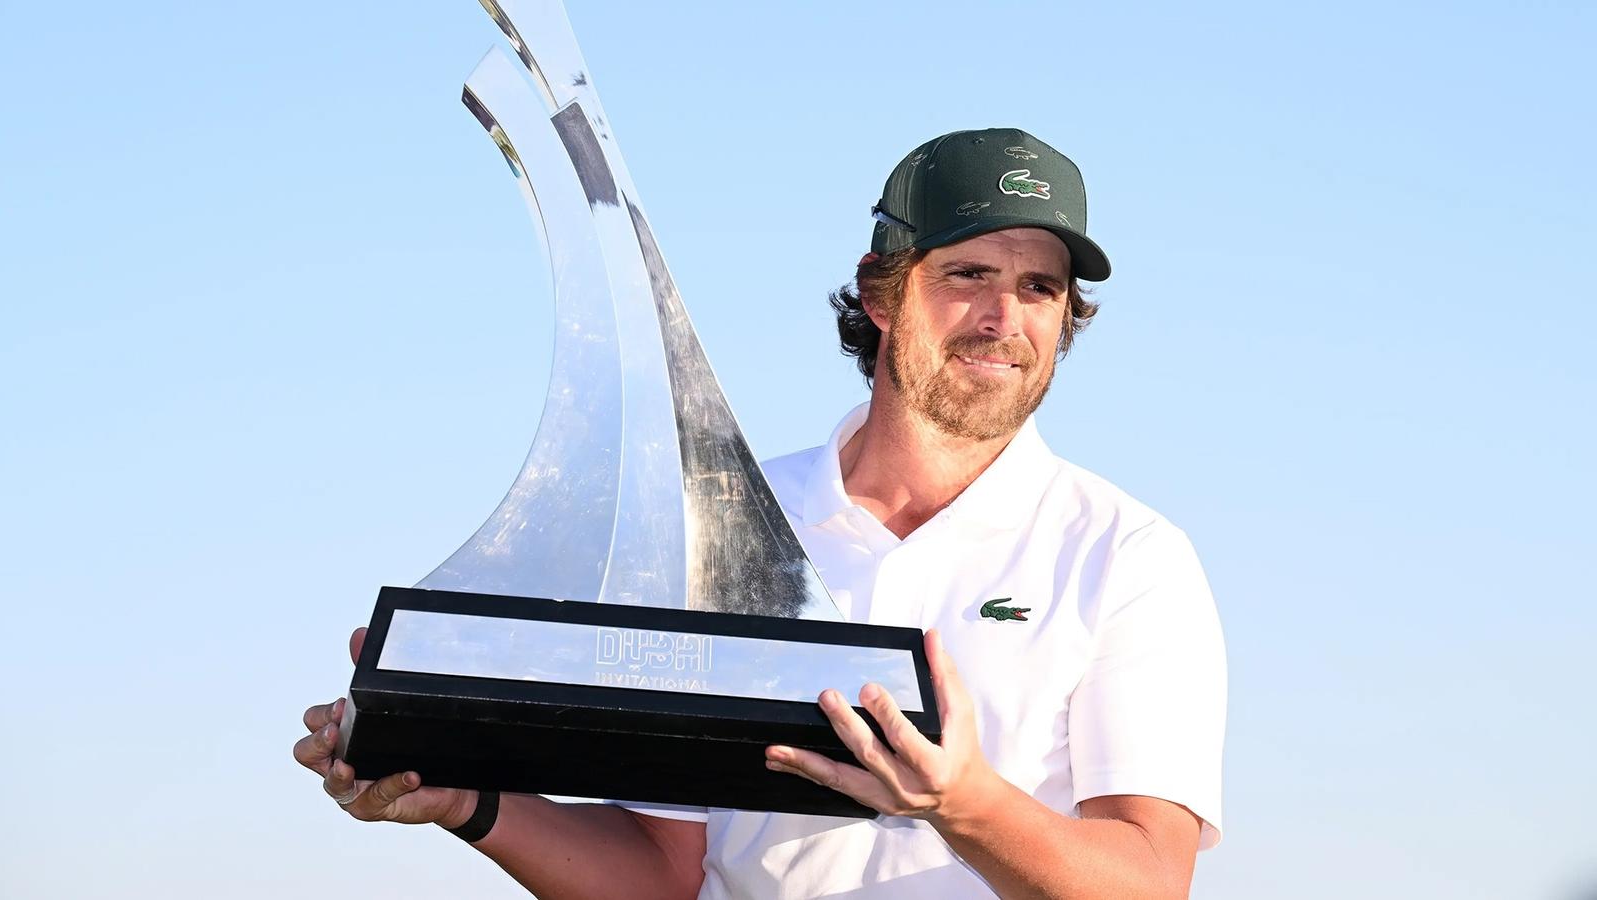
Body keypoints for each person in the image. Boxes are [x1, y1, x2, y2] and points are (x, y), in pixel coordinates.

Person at [295, 127, 1227, 899]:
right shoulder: (723, 522)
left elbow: (1147, 880)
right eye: (967, 275)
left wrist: (965, 801)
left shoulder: (1129, 555)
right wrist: (471, 803)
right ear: (880, 292)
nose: (1004, 317)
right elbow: (667, 871)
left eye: (1040, 289)